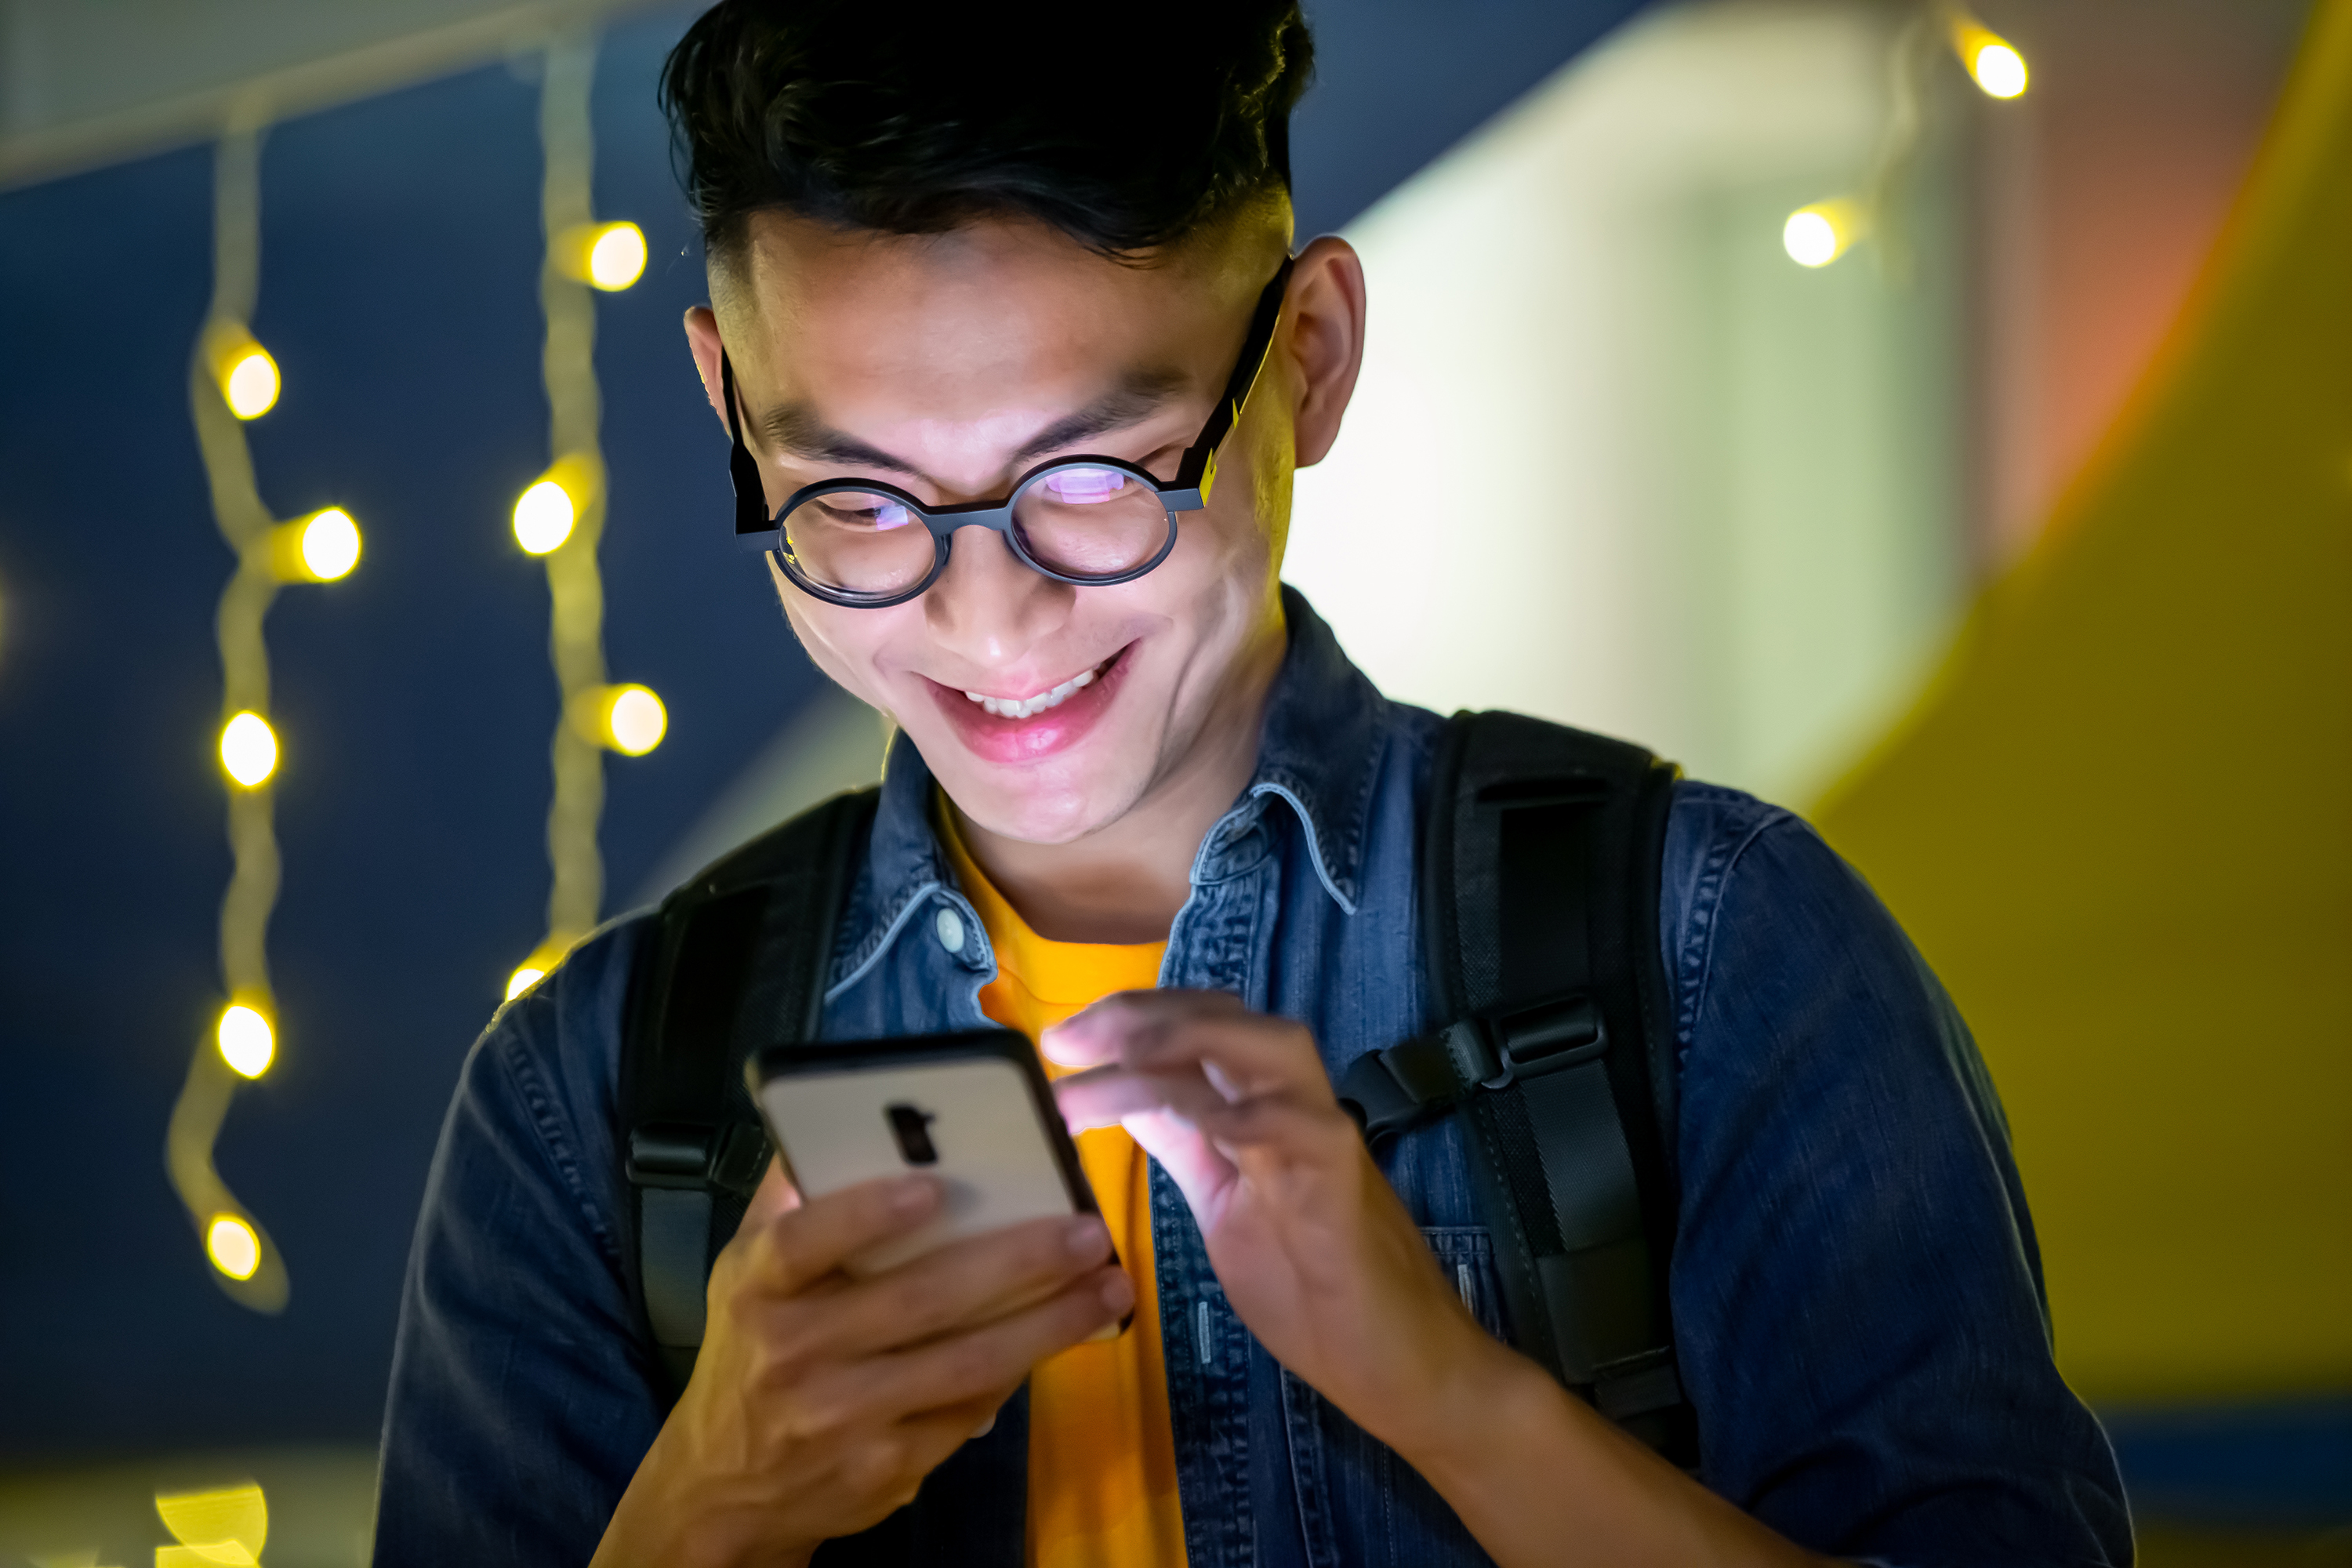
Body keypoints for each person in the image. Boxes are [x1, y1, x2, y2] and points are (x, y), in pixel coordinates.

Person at [373, 1, 2133, 1563]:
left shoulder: (1713, 952)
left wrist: (1459, 1400)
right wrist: (710, 1509)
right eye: (858, 500)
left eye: (1096, 478)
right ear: (731, 409)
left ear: (1306, 360)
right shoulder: (588, 1096)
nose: (991, 615)